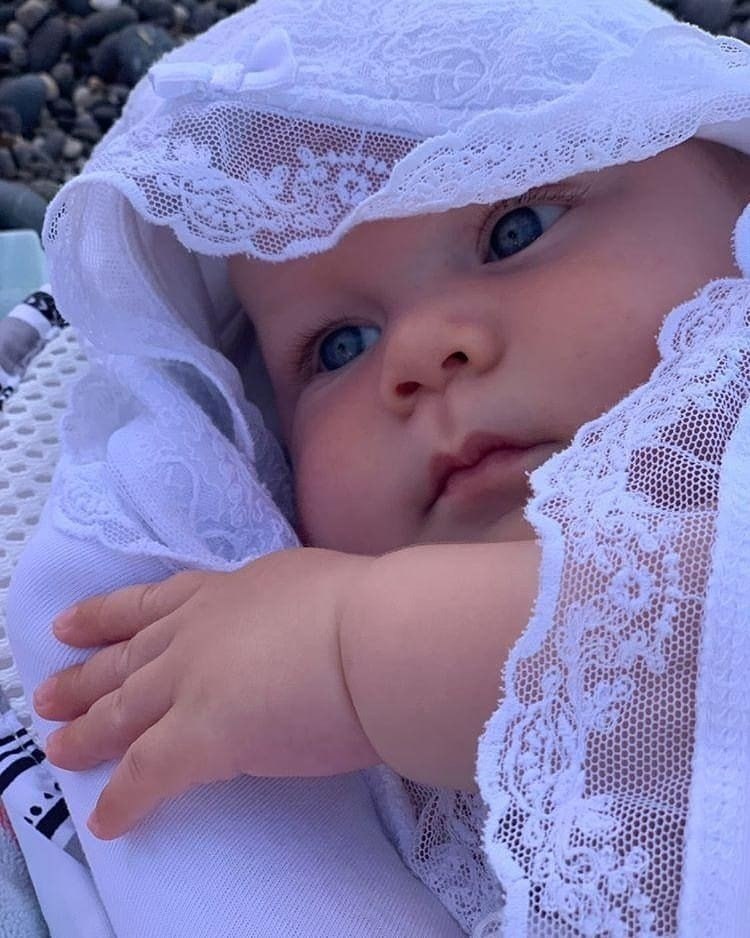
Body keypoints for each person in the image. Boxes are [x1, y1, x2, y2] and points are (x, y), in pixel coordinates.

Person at [6, 0, 750, 935]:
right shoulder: (356, 784)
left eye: (516, 229)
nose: (419, 355)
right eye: (339, 347)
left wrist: (355, 651)